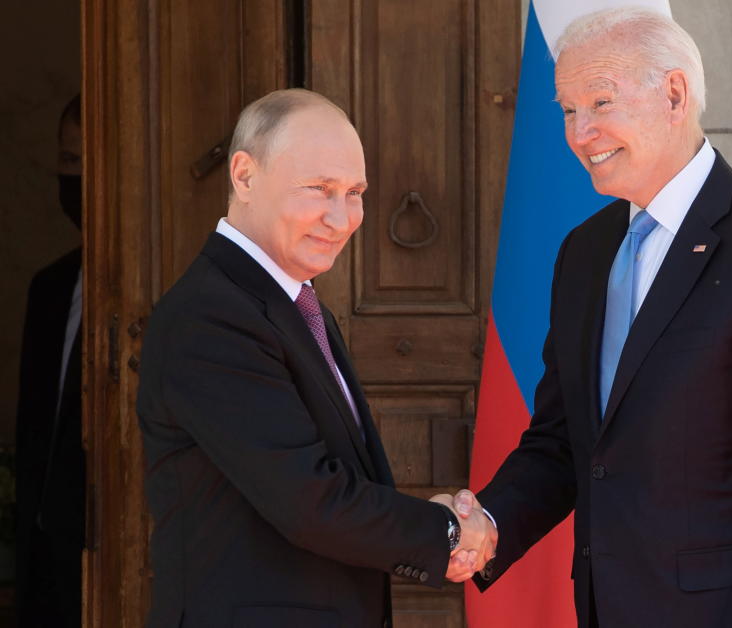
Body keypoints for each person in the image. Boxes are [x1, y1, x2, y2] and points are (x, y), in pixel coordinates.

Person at [463, 9, 732, 627]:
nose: (580, 132)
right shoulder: (583, 253)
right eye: (567, 110)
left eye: (600, 102)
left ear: (674, 94)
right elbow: (564, 441)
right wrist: (486, 524)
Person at [136, 89, 496, 628]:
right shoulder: (210, 316)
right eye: (318, 190)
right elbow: (310, 502)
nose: (342, 217)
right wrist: (445, 531)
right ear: (244, 175)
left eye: (355, 192)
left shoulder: (297, 305)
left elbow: (340, 485)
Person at [15, 93, 84, 628]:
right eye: (68, 162)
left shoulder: (172, 292)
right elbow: (34, 431)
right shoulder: (51, 288)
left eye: (88, 162)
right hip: (52, 552)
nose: (77, 179)